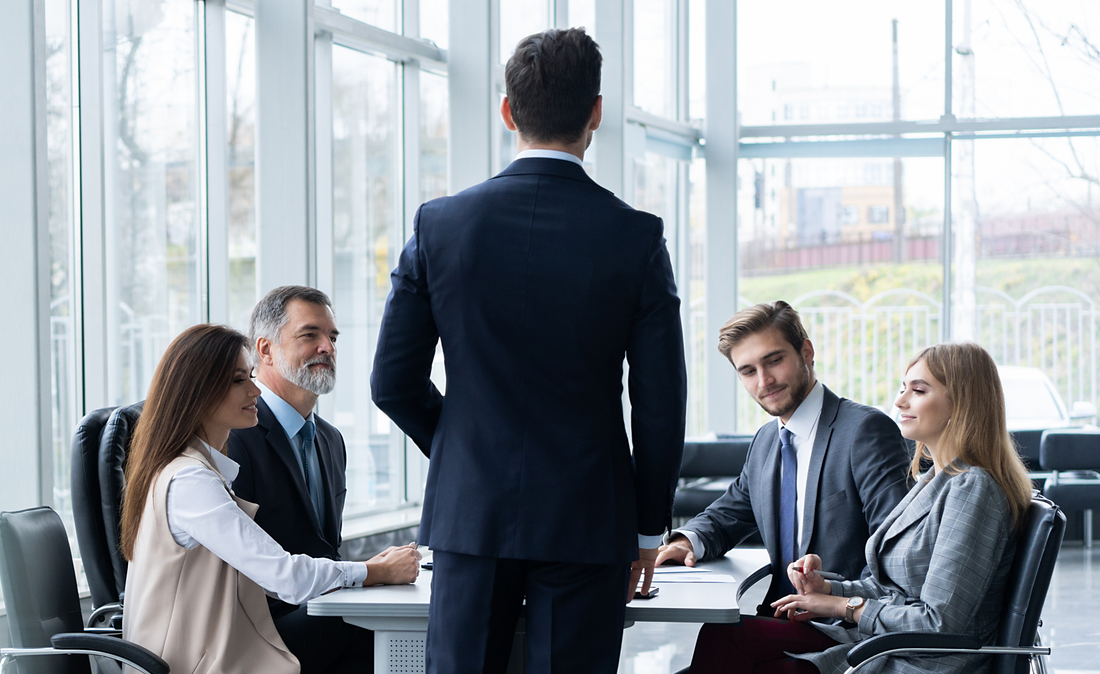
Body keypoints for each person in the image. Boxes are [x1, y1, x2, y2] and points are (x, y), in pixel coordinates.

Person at [370, 27, 687, 674]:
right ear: (595, 113)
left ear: (508, 112)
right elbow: (660, 405)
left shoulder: (439, 225)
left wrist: (466, 452)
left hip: (470, 513)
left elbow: (392, 383)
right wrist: (648, 530)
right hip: (589, 519)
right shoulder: (634, 237)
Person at [692, 342, 1033, 674]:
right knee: (724, 636)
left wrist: (844, 606)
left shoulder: (973, 489)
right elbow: (896, 587)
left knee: (729, 646)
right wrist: (827, 589)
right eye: (903, 388)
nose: (900, 400)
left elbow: (939, 623)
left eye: (919, 390)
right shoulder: (937, 479)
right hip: (888, 644)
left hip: (918, 660)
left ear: (962, 402)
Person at [121, 324, 421, 674]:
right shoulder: (190, 480)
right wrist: (374, 572)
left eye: (250, 376)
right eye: (238, 380)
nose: (255, 389)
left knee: (357, 644)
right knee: (363, 632)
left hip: (220, 647)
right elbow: (284, 577)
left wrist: (367, 572)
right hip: (195, 663)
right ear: (197, 393)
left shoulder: (196, 471)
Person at [658, 301, 911, 611]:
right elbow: (728, 517)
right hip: (780, 618)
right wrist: (686, 541)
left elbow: (897, 556)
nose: (764, 381)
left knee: (720, 645)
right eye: (749, 371)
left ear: (806, 351)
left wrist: (843, 602)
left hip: (842, 626)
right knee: (718, 642)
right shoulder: (766, 441)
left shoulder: (864, 431)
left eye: (774, 360)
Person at [228, 286, 385, 673]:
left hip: (315, 612)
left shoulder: (331, 440)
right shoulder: (234, 435)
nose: (328, 347)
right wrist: (370, 575)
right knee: (381, 634)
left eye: (332, 337)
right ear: (264, 350)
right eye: (310, 335)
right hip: (255, 629)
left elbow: (325, 549)